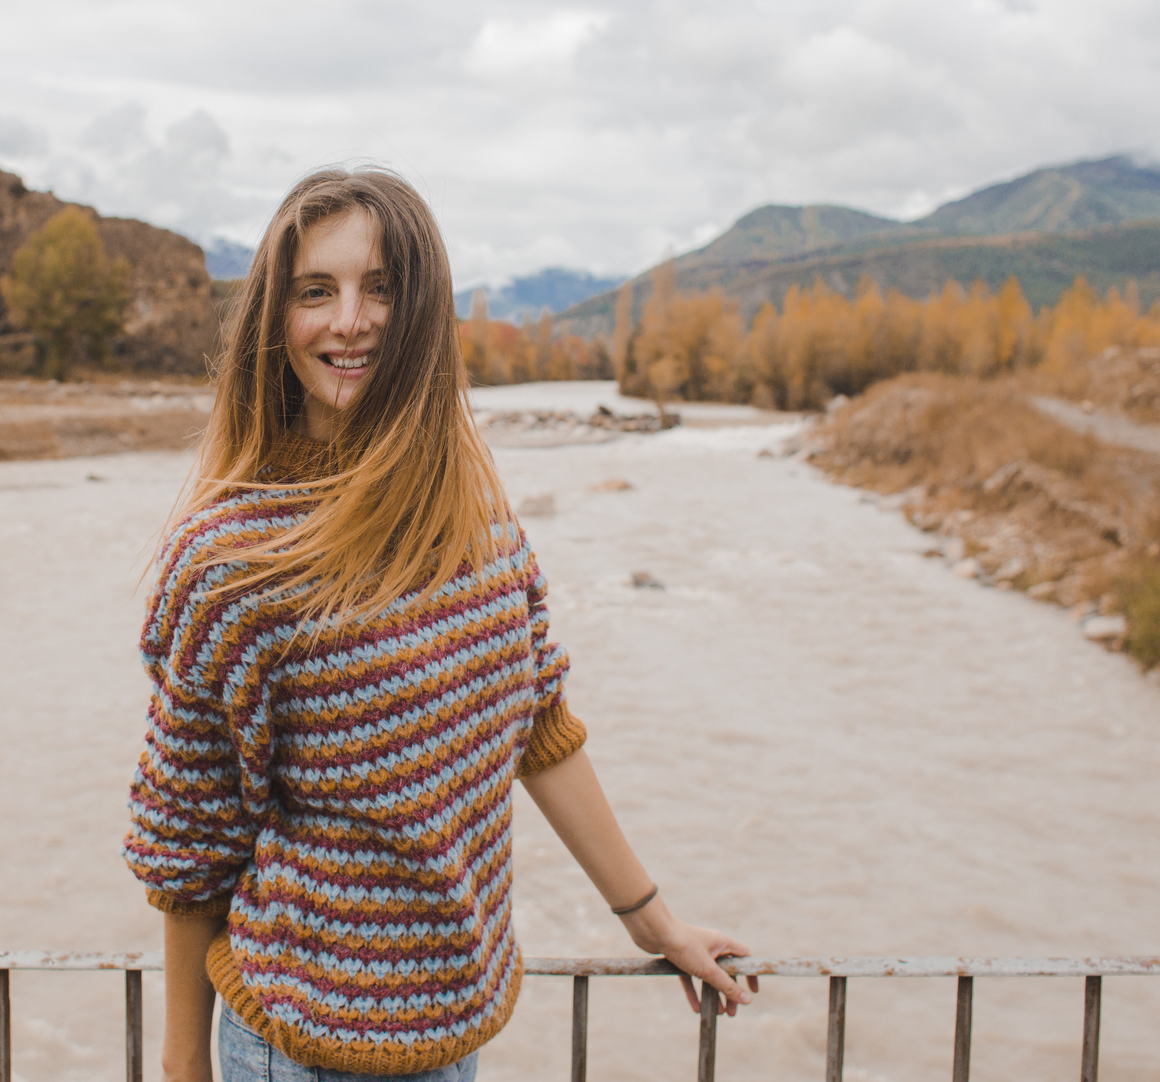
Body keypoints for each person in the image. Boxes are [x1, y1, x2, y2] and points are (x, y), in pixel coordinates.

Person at [124, 167, 754, 1082]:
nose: (349, 320)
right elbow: (191, 845)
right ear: (276, 319)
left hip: (452, 1039)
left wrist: (652, 920)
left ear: (422, 312)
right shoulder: (228, 558)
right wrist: (182, 1071)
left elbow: (539, 723)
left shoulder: (476, 519)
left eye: (380, 287)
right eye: (316, 291)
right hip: (293, 1048)